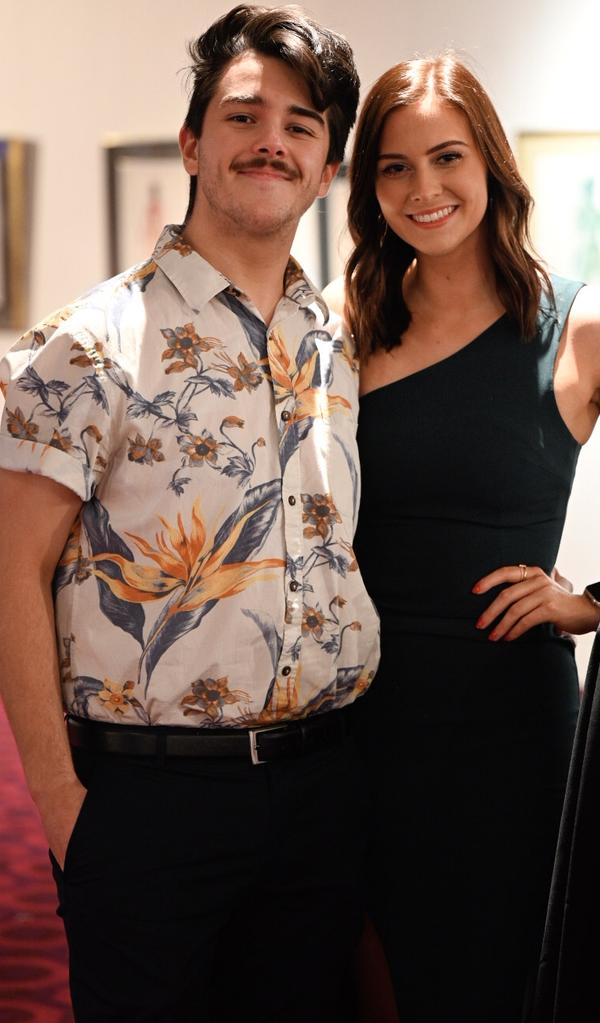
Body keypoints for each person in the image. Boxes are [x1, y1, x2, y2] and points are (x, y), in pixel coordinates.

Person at [324, 55, 600, 1022]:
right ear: (369, 189)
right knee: (376, 971)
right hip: (364, 715)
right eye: (393, 168)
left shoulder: (580, 327)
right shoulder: (347, 327)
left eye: (446, 157)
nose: (423, 189)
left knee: (507, 977)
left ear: (492, 165)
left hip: (507, 727)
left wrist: (596, 599)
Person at [0, 7, 378, 1021]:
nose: (273, 141)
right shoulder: (89, 341)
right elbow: (11, 576)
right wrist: (64, 809)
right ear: (192, 143)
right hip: (149, 805)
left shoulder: (335, 338)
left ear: (328, 164)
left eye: (303, 125)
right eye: (245, 115)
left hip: (321, 788)